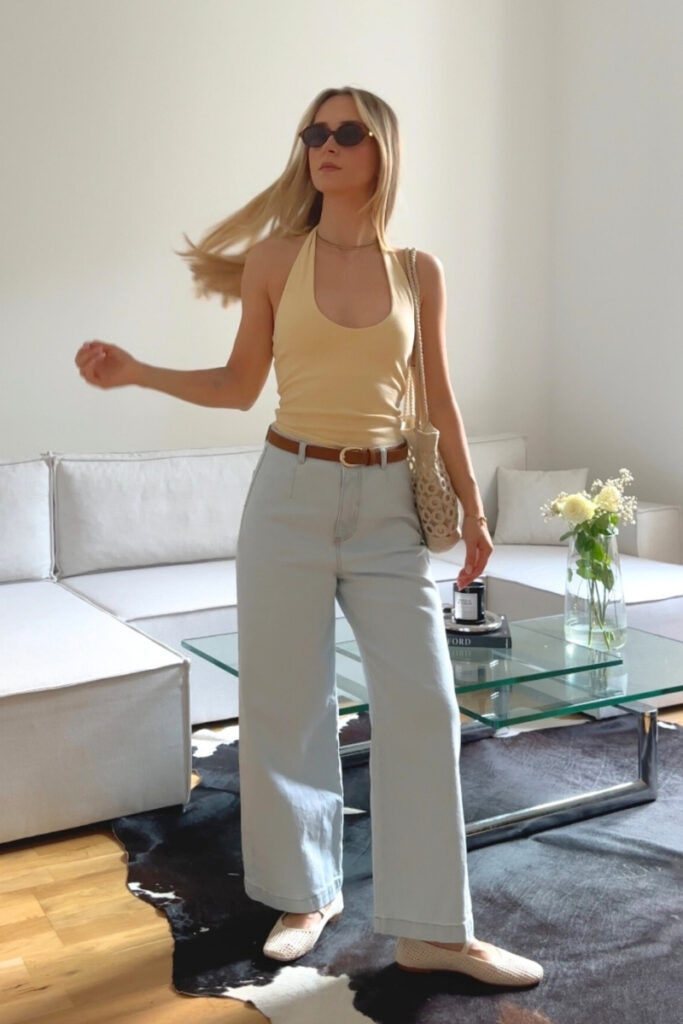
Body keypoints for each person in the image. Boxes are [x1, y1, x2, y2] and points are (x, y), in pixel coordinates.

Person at [76, 86, 542, 987]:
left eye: (345, 132)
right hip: (286, 493)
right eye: (313, 132)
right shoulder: (272, 259)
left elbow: (439, 402)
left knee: (425, 707)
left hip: (386, 511)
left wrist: (474, 512)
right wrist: (137, 373)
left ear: (380, 151)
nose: (324, 144)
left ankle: (433, 930)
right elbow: (237, 384)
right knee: (288, 709)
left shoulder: (418, 270)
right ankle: (305, 892)